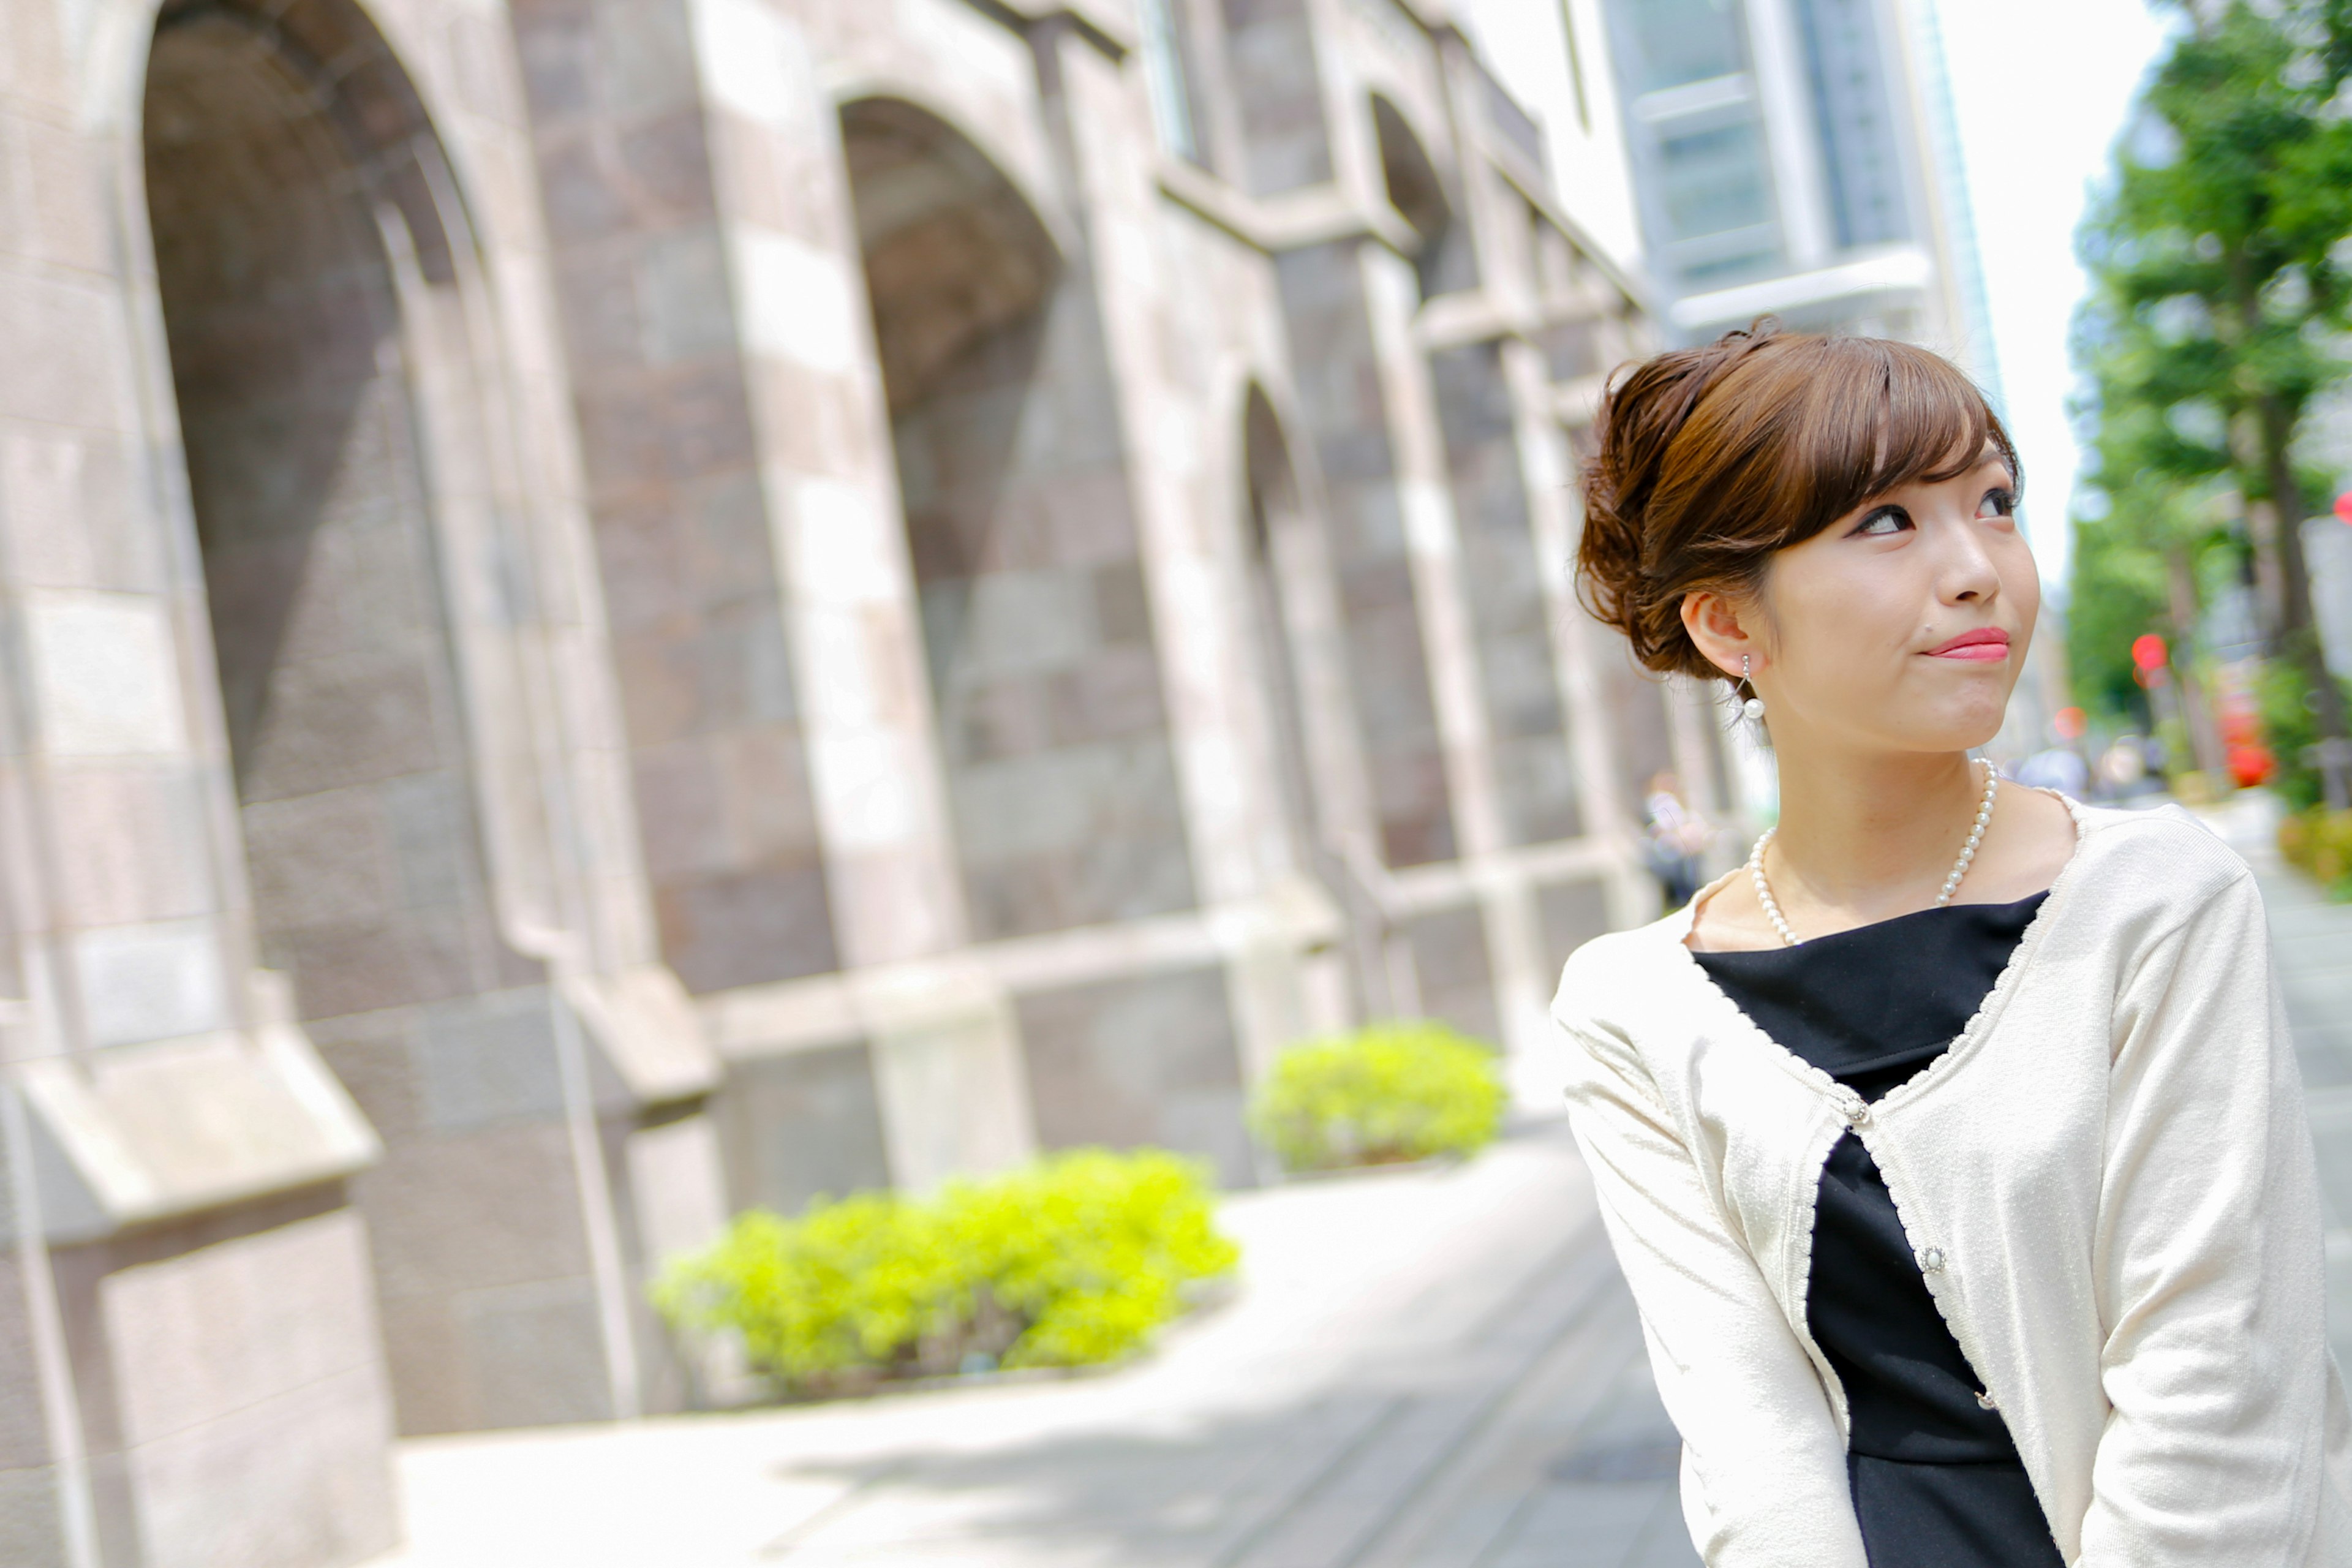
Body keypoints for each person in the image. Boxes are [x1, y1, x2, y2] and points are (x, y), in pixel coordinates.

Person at [1553, 323, 2350, 1566]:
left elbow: (2219, 1376)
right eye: (1886, 520)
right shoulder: (1634, 1007)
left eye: (1994, 501)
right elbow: (1749, 1439)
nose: (1979, 566)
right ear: (1725, 623)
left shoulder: (2153, 897)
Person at [1642, 770, 1711, 910]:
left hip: (1685, 852)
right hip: (1670, 854)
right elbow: (1668, 825)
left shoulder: (1676, 801)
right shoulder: (1660, 801)